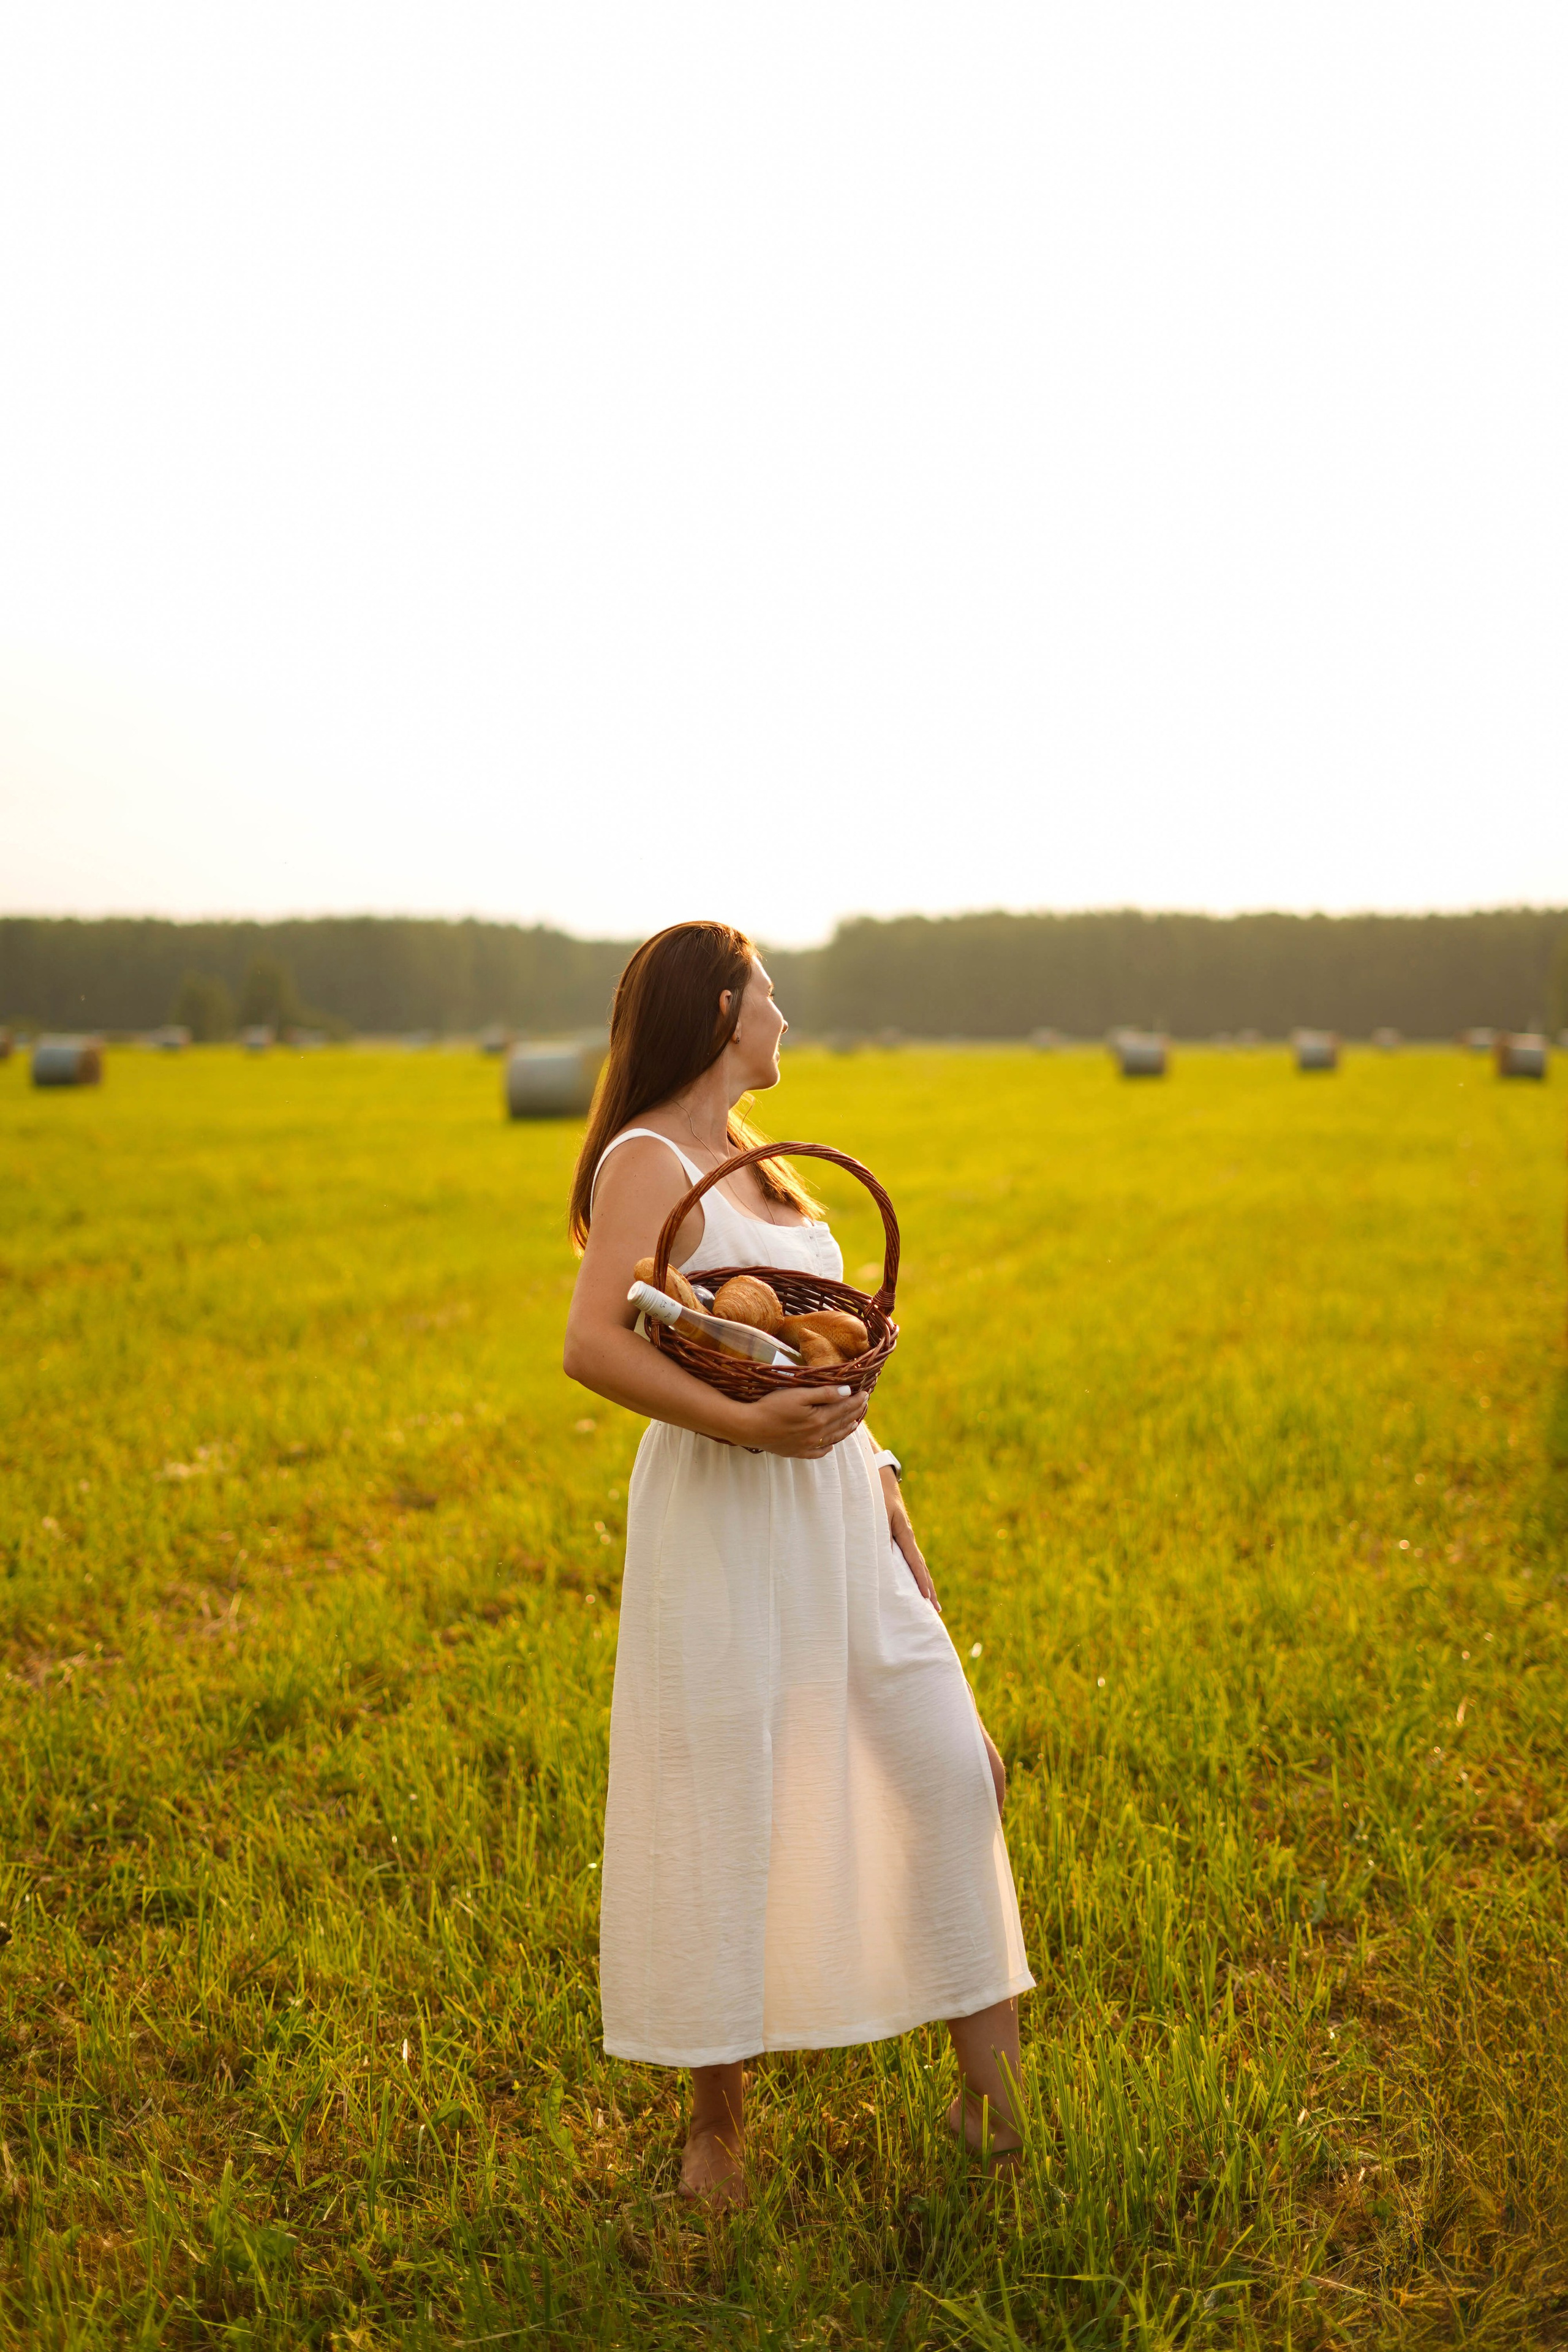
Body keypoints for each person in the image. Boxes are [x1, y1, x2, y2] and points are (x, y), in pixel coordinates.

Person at [564, 920, 1033, 2203]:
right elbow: (593, 1346)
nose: (784, 1014)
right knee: (728, 1791)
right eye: (769, 993)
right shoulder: (648, 1160)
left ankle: (989, 2110)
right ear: (721, 1010)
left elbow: (832, 1360)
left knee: (951, 1766)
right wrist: (746, 1423)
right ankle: (715, 2123)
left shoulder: (767, 1171)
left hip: (839, 1502)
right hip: (723, 1506)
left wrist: (893, 1512)